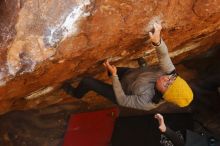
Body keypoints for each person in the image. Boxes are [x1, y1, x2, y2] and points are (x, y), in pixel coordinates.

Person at [62, 22, 193, 111]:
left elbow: (123, 100)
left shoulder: (148, 102)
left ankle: (76, 93)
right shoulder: (170, 73)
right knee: (111, 69)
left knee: (87, 81)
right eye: (170, 79)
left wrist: (114, 77)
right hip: (133, 75)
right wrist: (157, 42)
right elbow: (163, 56)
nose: (165, 79)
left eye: (166, 85)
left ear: (164, 95)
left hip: (122, 92)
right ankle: (139, 67)